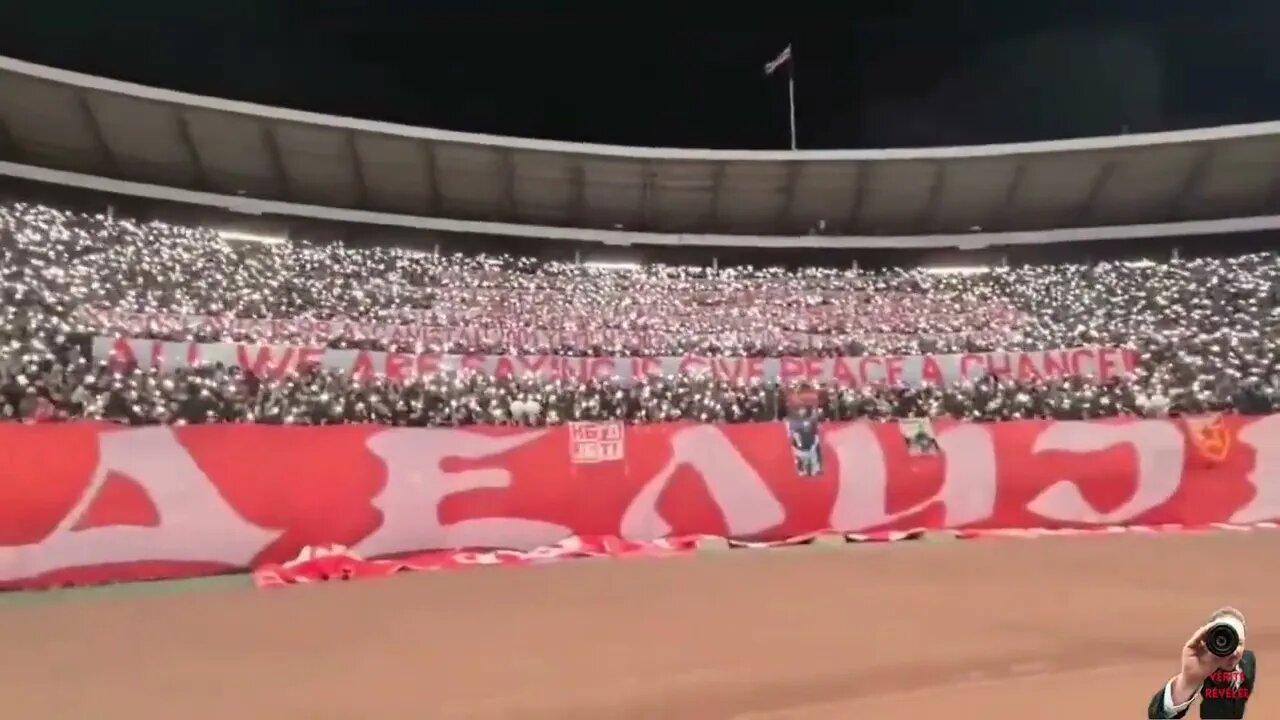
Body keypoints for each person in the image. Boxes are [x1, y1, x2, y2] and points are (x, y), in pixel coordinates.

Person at [1148, 607, 1256, 718]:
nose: (1234, 652)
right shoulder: (1204, 666)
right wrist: (1187, 682)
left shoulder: (1248, 660)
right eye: (1225, 641)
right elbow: (1159, 715)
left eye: (1239, 643)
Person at [786, 406, 822, 477]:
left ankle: (814, 470)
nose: (802, 411)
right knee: (802, 455)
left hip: (810, 438)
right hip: (800, 440)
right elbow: (793, 432)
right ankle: (803, 470)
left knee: (813, 453)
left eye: (803, 410)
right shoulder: (795, 421)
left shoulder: (810, 420)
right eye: (801, 410)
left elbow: (814, 428)